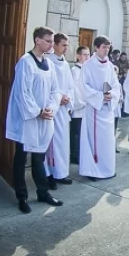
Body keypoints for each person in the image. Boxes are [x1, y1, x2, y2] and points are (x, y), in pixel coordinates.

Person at [5, 28, 64, 214]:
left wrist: (50, 109)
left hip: (45, 117)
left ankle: (42, 191)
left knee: (39, 157)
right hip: (28, 118)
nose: (51, 45)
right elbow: (23, 93)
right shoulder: (25, 62)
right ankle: (21, 196)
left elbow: (56, 90)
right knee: (21, 158)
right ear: (37, 40)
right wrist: (37, 111)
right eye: (48, 41)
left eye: (52, 41)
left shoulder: (49, 64)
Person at [78, 35, 122, 180]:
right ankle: (92, 170)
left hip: (107, 110)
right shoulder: (88, 65)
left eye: (108, 47)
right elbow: (84, 87)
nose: (106, 50)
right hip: (94, 110)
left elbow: (116, 85)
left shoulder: (109, 66)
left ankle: (107, 169)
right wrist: (99, 96)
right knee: (93, 141)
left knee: (107, 142)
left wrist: (112, 95)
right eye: (103, 47)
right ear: (96, 47)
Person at [46, 33, 76, 189]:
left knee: (63, 143)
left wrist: (68, 98)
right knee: (51, 143)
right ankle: (50, 174)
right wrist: (58, 99)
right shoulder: (47, 61)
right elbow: (47, 87)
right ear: (55, 45)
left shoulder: (65, 64)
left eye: (67, 44)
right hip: (52, 109)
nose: (66, 48)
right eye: (63, 45)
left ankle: (62, 173)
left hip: (63, 110)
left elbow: (70, 86)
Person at [69, 46, 89, 165]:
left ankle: (82, 153)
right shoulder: (75, 71)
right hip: (79, 107)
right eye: (84, 54)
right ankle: (74, 154)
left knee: (84, 133)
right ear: (78, 56)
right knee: (76, 133)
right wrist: (83, 102)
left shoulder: (88, 70)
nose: (87, 57)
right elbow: (75, 90)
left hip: (88, 108)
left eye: (88, 54)